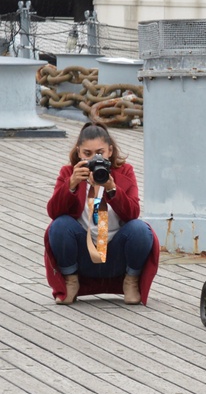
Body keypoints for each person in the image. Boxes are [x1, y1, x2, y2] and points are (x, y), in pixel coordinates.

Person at [45, 122, 159, 305]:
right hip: (83, 252)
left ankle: (131, 280)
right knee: (59, 225)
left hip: (116, 252)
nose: (94, 159)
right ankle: (70, 280)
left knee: (140, 229)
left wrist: (112, 188)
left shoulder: (125, 171)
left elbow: (133, 213)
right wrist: (71, 184)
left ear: (110, 151)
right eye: (87, 153)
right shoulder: (69, 172)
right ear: (78, 152)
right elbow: (53, 212)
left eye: (100, 153)